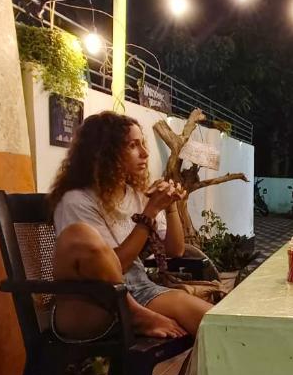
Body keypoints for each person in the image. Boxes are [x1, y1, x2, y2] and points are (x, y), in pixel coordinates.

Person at [48, 111, 212, 341]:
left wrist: (171, 206)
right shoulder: (77, 201)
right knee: (81, 234)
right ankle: (135, 315)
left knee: (217, 325)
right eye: (133, 146)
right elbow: (116, 267)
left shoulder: (136, 196)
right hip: (94, 301)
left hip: (141, 289)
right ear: (105, 153)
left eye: (142, 144)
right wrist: (149, 214)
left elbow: (175, 251)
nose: (144, 153)